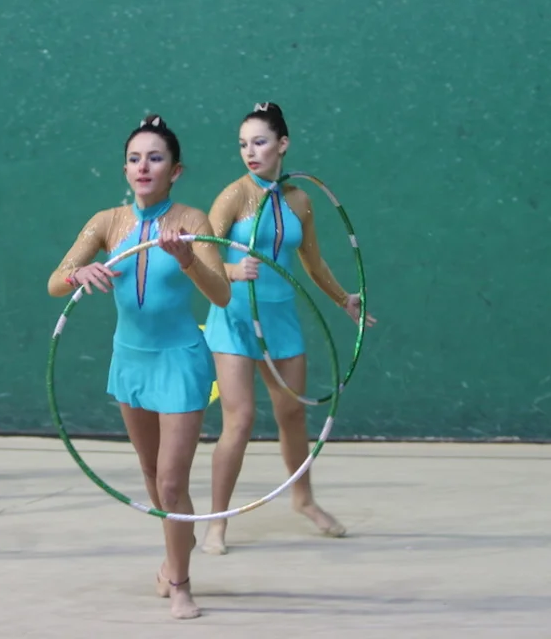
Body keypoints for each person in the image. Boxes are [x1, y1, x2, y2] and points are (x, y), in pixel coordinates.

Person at [47, 114, 230, 620]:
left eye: (155, 158)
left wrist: (189, 261)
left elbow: (222, 293)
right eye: (134, 159)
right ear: (125, 169)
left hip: (180, 361)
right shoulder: (108, 222)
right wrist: (78, 273)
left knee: (171, 482)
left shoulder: (192, 220)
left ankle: (180, 582)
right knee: (152, 474)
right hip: (130, 361)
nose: (143, 166)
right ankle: (177, 547)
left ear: (176, 170)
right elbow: (55, 281)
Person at [201, 102, 377, 555]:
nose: (250, 152)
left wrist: (343, 299)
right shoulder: (233, 196)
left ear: (282, 145)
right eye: (243, 144)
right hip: (236, 318)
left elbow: (312, 261)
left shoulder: (300, 200)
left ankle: (304, 500)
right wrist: (231, 271)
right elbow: (201, 253)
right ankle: (217, 520)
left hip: (280, 319)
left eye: (259, 142)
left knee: (292, 414)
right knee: (239, 420)